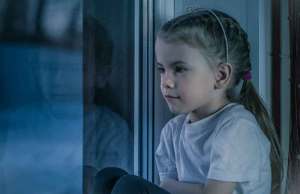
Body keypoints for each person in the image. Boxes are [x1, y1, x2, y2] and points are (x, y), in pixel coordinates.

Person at [92, 9, 282, 194]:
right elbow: (166, 185)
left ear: (220, 76)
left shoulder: (237, 128)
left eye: (179, 69)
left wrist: (170, 187)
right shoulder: (174, 131)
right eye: (161, 69)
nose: (166, 81)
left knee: (130, 186)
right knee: (108, 178)